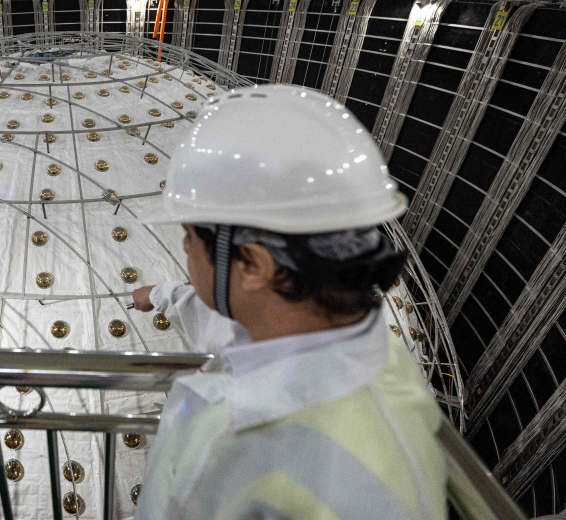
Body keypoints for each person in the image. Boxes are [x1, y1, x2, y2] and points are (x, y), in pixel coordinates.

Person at [133, 84, 447, 520]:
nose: (185, 250)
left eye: (188, 239)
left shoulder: (327, 474)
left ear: (255, 266)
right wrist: (160, 295)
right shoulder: (363, 355)